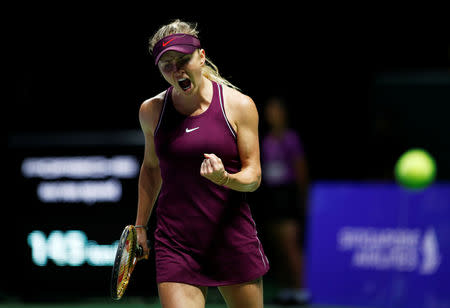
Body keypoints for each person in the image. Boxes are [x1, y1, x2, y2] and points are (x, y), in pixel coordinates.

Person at [134, 19, 269, 308]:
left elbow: (254, 176)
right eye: (166, 65)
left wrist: (226, 179)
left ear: (202, 56)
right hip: (176, 243)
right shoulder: (152, 111)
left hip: (231, 239)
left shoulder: (239, 106)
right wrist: (140, 226)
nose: (176, 70)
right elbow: (151, 167)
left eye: (183, 59)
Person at [260, 97, 310, 306]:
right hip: (272, 196)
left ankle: (301, 290)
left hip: (288, 196)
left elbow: (300, 169)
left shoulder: (291, 138)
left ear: (283, 113)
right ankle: (286, 290)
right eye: (269, 110)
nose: (271, 114)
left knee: (290, 245)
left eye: (275, 110)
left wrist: (302, 197)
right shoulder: (266, 139)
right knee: (278, 246)